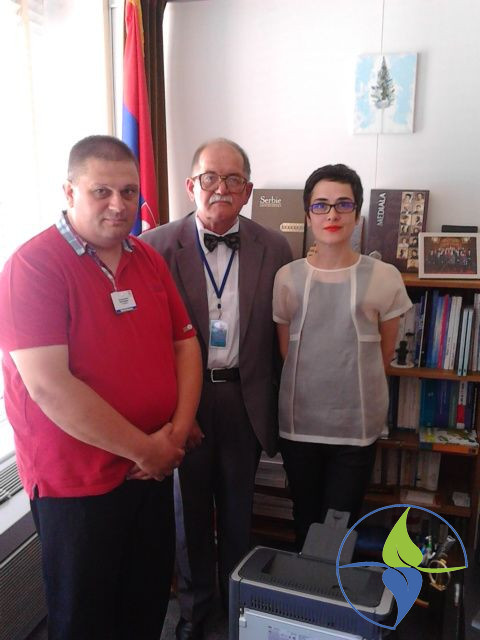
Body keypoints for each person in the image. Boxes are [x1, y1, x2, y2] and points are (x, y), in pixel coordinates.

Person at [0, 135, 202, 640]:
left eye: (129, 192)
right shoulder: (34, 266)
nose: (119, 204)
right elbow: (49, 386)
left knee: (145, 605)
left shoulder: (146, 257)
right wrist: (148, 450)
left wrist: (175, 436)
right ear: (69, 192)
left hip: (152, 470)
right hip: (78, 484)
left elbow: (185, 345)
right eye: (101, 191)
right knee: (84, 620)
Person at [141, 138, 292, 640]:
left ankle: (237, 608)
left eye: (233, 179)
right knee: (188, 516)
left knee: (238, 513)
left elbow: (278, 334)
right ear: (191, 185)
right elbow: (148, 341)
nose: (220, 188)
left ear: (248, 190)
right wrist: (177, 414)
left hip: (244, 400)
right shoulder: (155, 247)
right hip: (185, 402)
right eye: (210, 177)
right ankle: (193, 612)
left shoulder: (275, 247)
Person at [273, 164, 412, 549]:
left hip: (356, 426)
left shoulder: (384, 276)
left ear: (357, 213)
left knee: (339, 525)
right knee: (305, 519)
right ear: (308, 215)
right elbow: (287, 351)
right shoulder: (287, 277)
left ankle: (332, 586)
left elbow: (383, 354)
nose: (331, 214)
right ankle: (302, 585)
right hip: (299, 424)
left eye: (343, 204)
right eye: (320, 205)